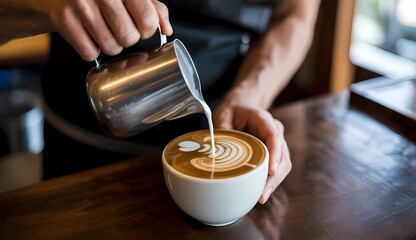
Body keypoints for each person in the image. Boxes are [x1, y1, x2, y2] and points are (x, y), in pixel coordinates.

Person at [0, 0, 320, 204]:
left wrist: (250, 95)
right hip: (81, 155)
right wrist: (40, 5)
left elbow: (295, 15)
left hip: (225, 127)